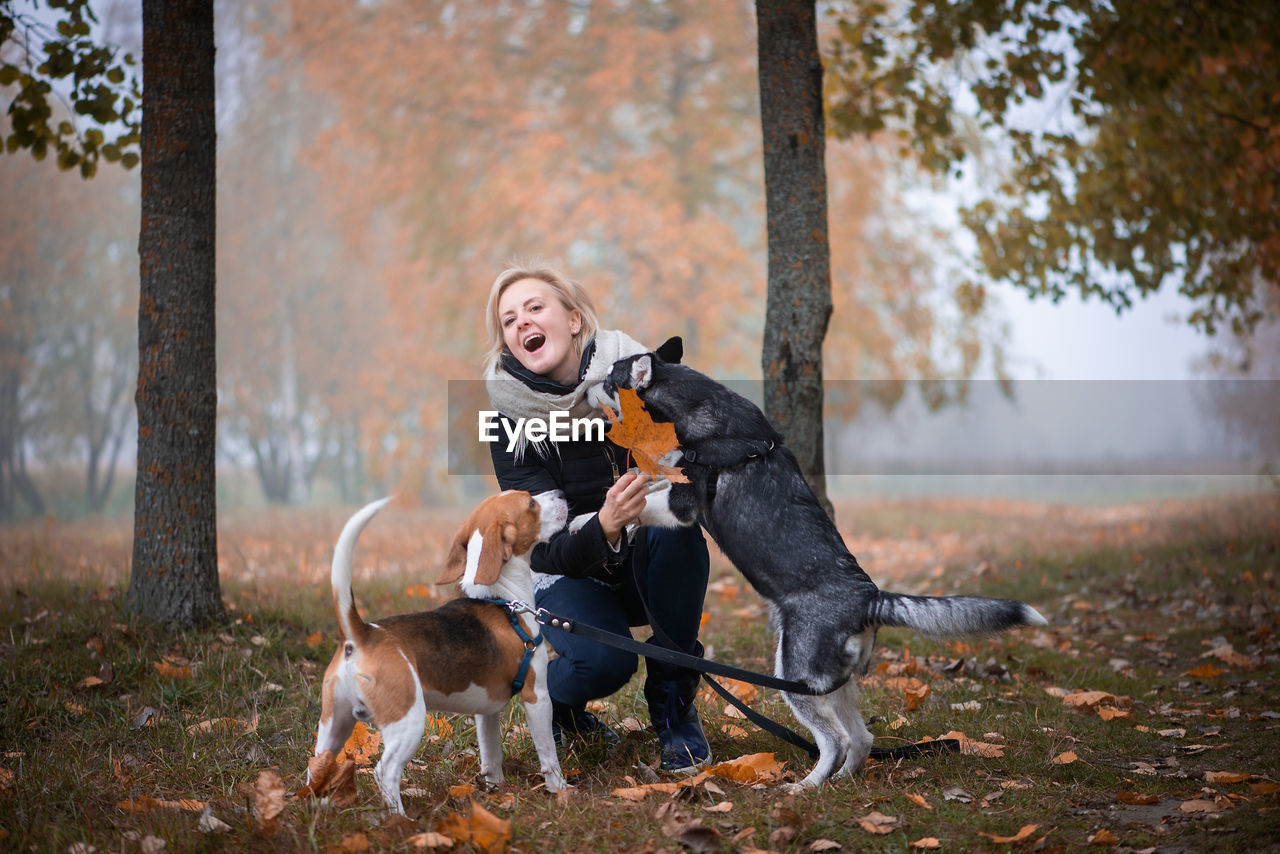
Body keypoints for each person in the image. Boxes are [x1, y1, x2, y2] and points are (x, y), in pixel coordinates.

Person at [481, 264, 712, 772]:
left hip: (642, 564)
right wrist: (604, 525)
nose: (522, 323)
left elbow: (679, 480)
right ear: (507, 342)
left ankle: (673, 706)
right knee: (606, 664)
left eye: (534, 308)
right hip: (564, 573)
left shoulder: (636, 383)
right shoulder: (508, 421)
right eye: (509, 320)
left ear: (575, 320)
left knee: (678, 526)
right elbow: (538, 546)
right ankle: (558, 707)